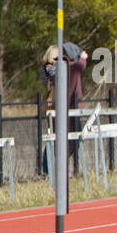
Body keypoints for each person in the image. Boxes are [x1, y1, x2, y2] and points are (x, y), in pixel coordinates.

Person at [40, 42, 88, 175]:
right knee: (63, 141)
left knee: (57, 139)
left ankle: (51, 169)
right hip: (63, 109)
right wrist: (82, 56)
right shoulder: (63, 69)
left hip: (56, 108)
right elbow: (80, 65)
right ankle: (49, 169)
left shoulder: (47, 70)